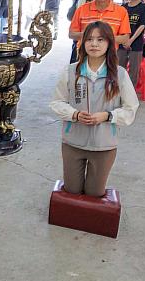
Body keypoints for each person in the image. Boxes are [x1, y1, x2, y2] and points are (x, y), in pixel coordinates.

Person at [50, 21, 139, 197]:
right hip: (72, 142)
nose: (94, 44)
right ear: (83, 43)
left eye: (100, 39)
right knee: (72, 191)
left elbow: (131, 109)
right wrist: (74, 114)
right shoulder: (70, 71)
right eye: (89, 39)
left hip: (104, 146)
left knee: (94, 193)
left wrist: (107, 116)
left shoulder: (119, 74)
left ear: (109, 43)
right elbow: (56, 103)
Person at [69, 0, 132, 65]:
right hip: (84, 55)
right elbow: (71, 34)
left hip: (110, 56)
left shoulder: (121, 11)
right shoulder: (82, 9)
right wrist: (89, 36)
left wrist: (104, 39)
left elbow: (125, 37)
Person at [118, 0, 145, 85]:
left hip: (136, 43)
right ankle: (118, 92)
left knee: (133, 72)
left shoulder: (144, 7)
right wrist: (124, 40)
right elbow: (119, 26)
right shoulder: (123, 7)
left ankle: (130, 96)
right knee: (119, 69)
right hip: (122, 43)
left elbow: (142, 25)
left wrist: (130, 40)